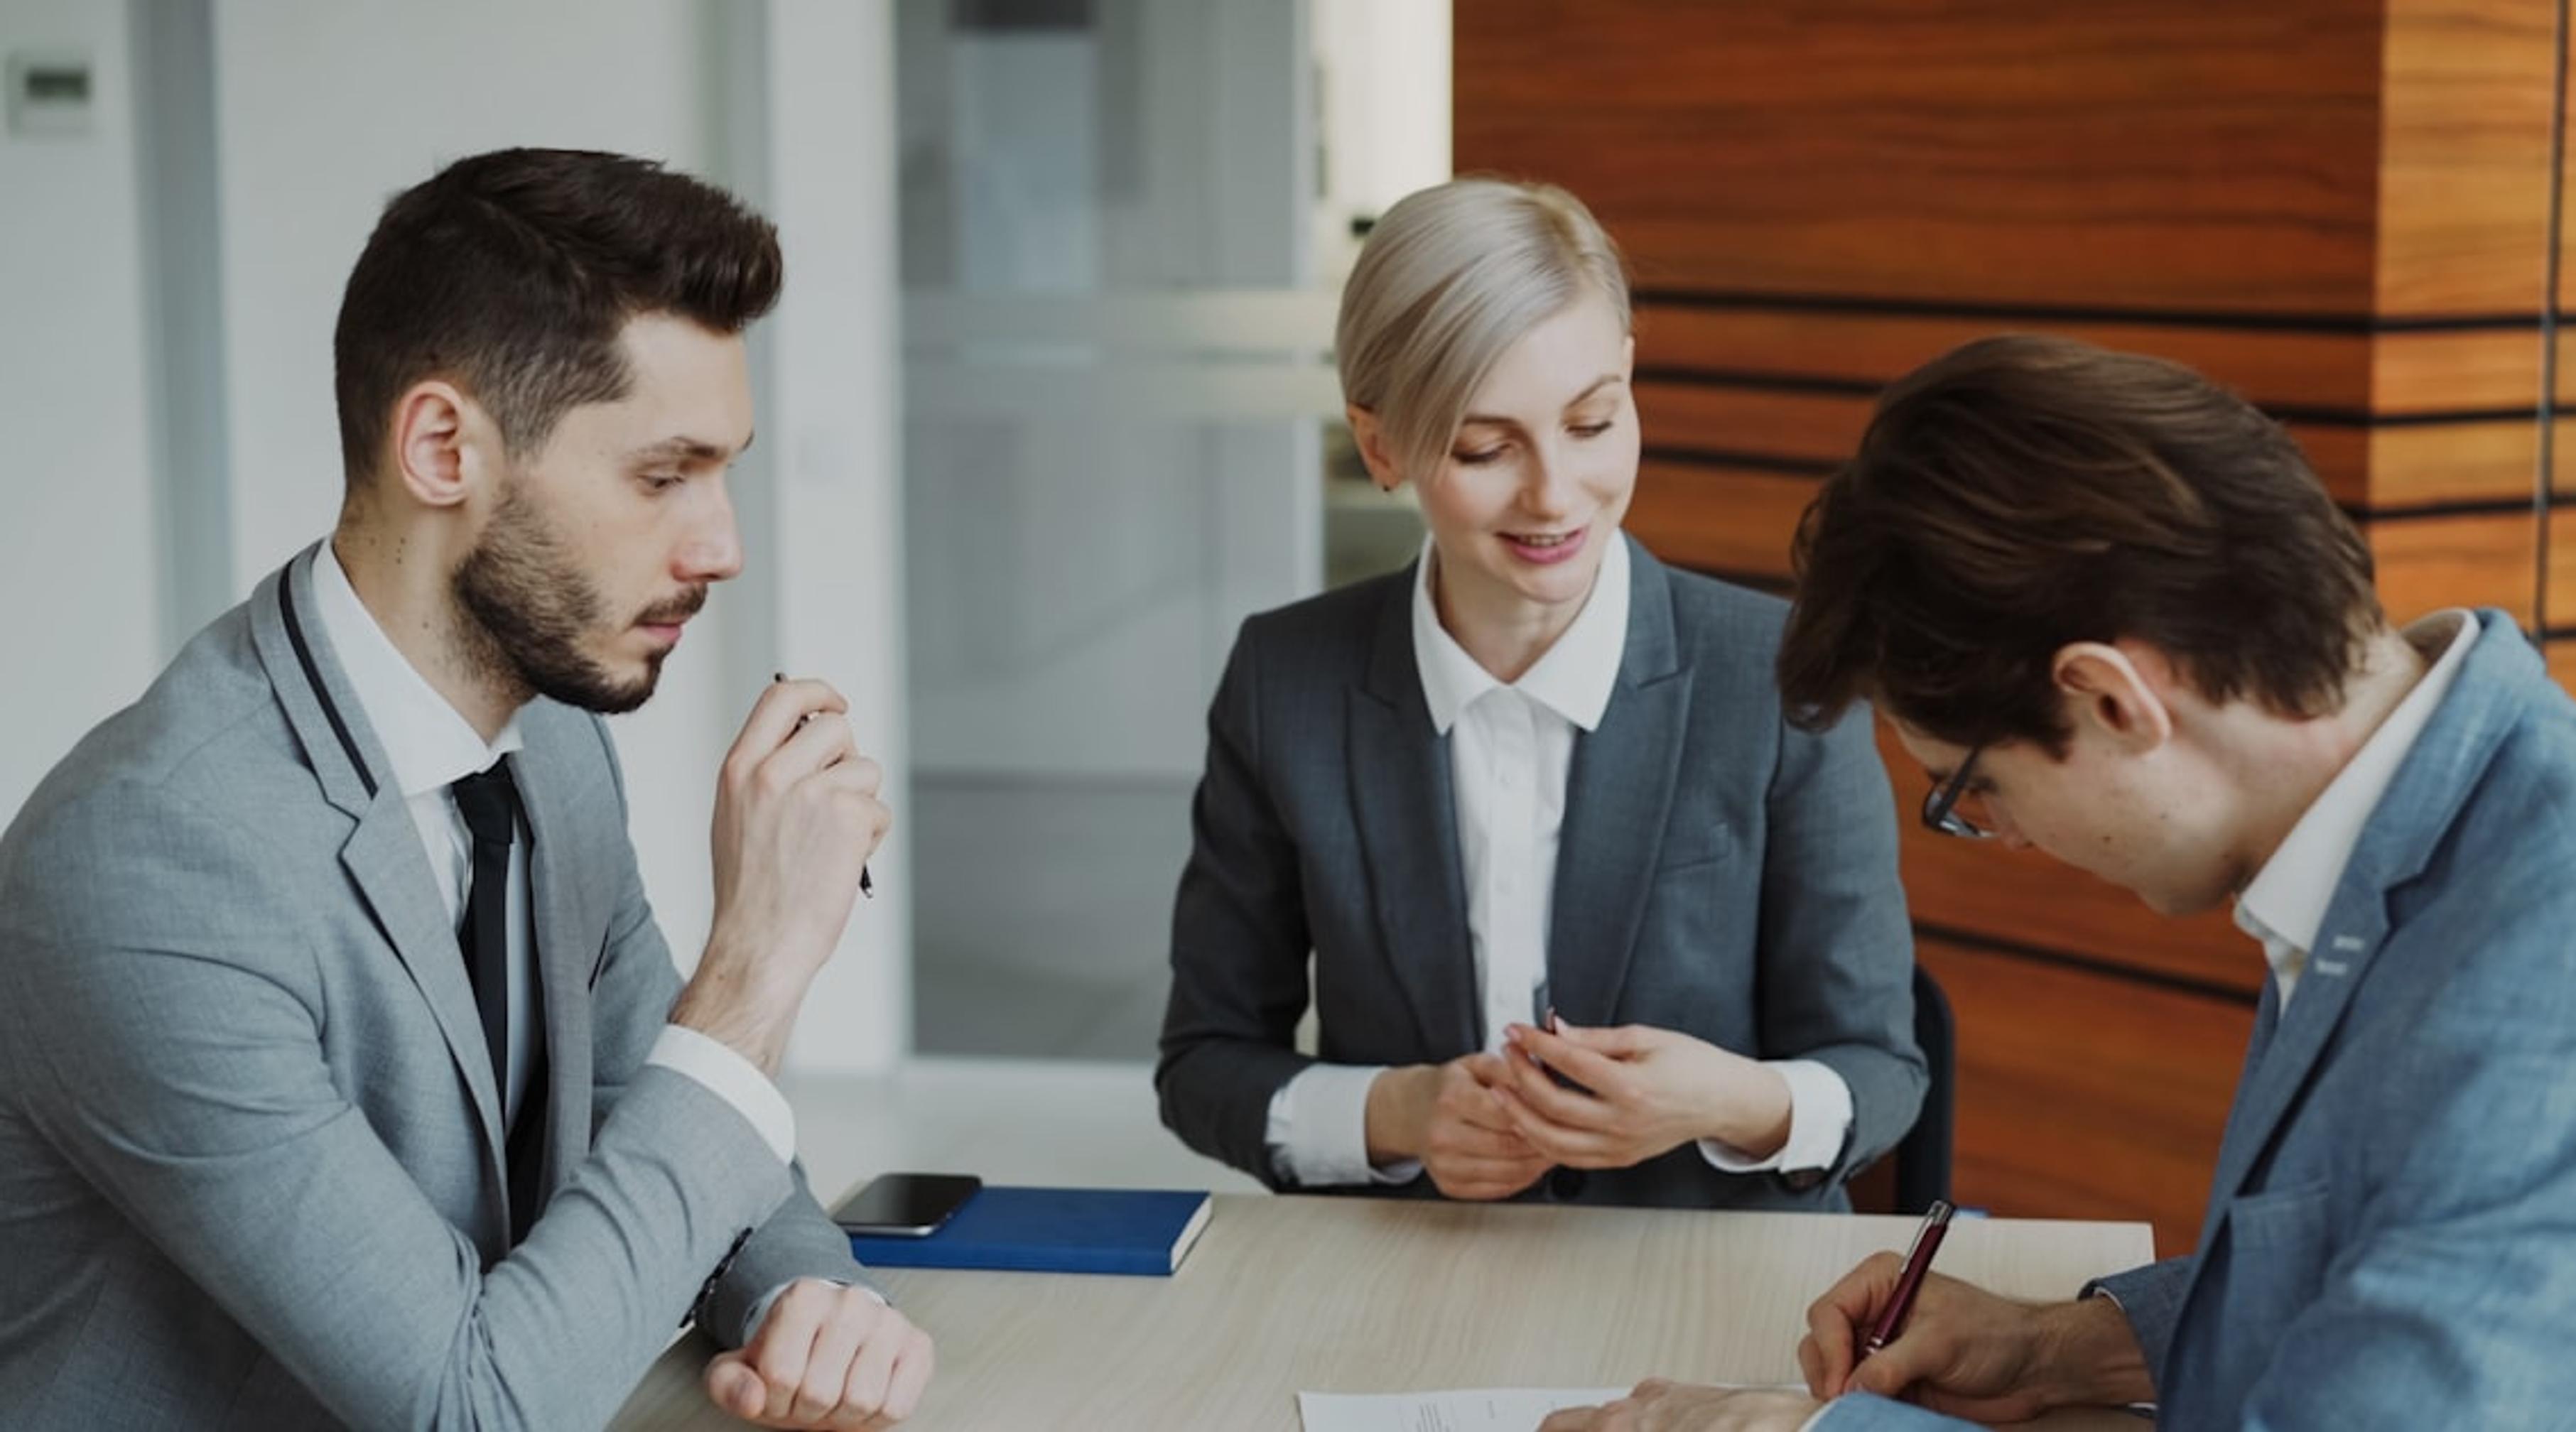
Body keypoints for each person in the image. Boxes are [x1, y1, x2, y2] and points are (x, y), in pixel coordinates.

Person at [1544, 335, 2576, 1431]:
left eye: (1972, 790)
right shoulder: (2414, 818)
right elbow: (2380, 1244)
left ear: (2114, 701)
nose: (1996, 836)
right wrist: (2075, 1344)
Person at [0, 148, 933, 1430]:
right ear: (443, 447)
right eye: (663, 477)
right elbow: (470, 1407)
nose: (721, 547)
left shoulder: (547, 749)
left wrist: (803, 1294)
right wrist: (758, 968)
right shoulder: (148, 867)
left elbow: (644, 1103)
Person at [1154, 177, 1922, 1211]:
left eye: (1593, 422)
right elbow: (1204, 1066)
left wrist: (1728, 1102)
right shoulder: (1284, 681)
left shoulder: (1780, 678)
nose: (1555, 494)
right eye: (1485, 446)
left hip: (1707, 1278)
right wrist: (1399, 1113)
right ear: (1382, 445)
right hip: (1410, 1282)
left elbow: (1883, 1069)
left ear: (1630, 384)